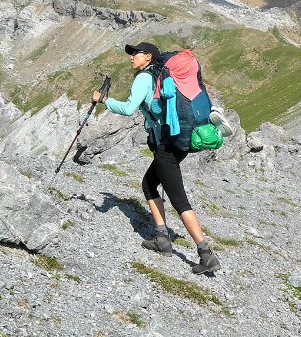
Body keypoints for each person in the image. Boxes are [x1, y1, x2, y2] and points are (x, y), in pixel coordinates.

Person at [93, 41, 222, 275]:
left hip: (166, 145)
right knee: (149, 183)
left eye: (136, 54)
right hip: (179, 141)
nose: (132, 57)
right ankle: (162, 237)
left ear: (149, 57)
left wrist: (103, 100)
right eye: (131, 54)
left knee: (178, 199)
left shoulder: (144, 78)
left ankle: (206, 253)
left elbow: (129, 108)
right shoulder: (161, 75)